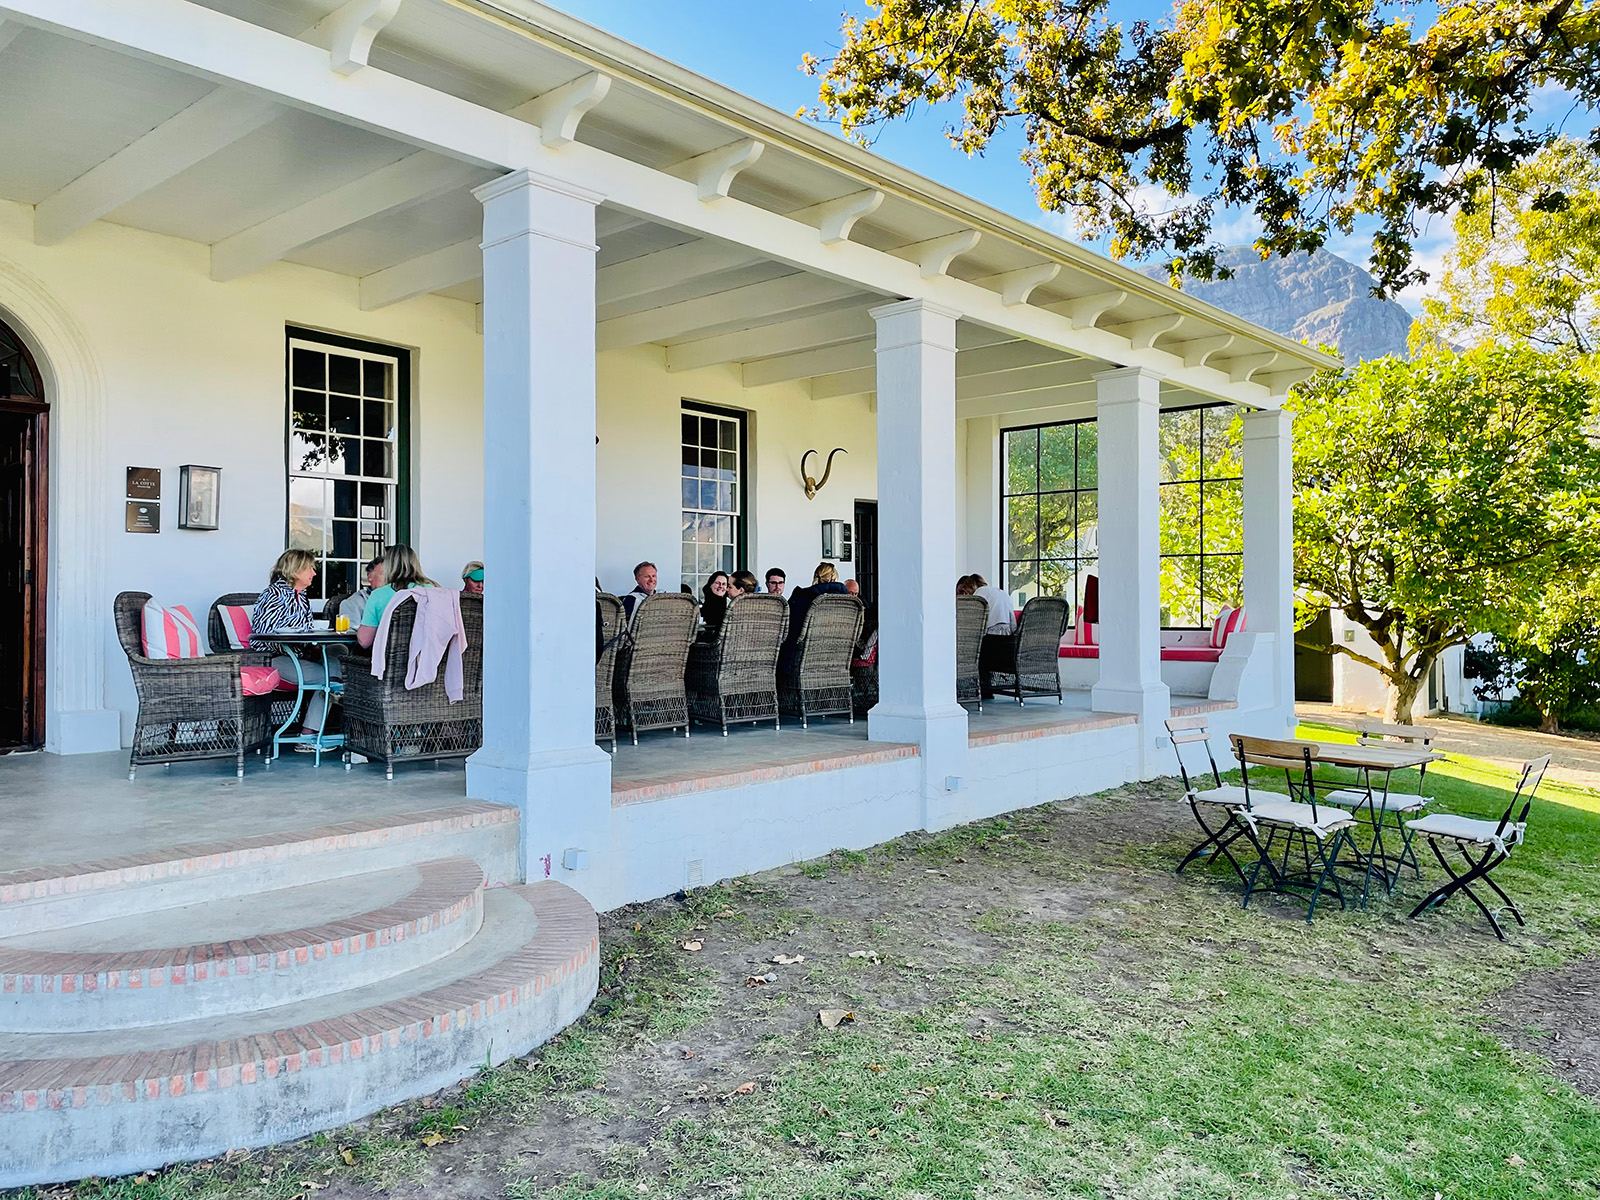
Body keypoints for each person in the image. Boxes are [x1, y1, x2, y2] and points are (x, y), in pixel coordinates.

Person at [252, 548, 339, 747]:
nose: (314, 573)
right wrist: (302, 639)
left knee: (340, 667)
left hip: (299, 655)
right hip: (275, 658)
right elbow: (267, 633)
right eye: (310, 568)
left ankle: (334, 729)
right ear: (296, 570)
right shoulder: (274, 595)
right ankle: (308, 736)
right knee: (330, 677)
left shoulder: (301, 595)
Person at [356, 544, 437, 651]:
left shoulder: (379, 595)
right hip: (427, 661)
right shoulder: (433, 591)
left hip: (389, 661)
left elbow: (365, 641)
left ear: (388, 567)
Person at [781, 562, 850, 673]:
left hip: (805, 655)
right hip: (836, 655)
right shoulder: (846, 601)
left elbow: (790, 630)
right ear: (833, 579)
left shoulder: (803, 597)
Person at [339, 556, 385, 628]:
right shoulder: (353, 604)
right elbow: (351, 635)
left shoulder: (399, 601)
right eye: (383, 574)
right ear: (370, 576)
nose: (388, 579)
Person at [698, 571, 730, 641]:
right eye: (717, 583)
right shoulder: (707, 602)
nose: (721, 586)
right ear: (710, 585)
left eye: (724, 584)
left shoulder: (729, 603)